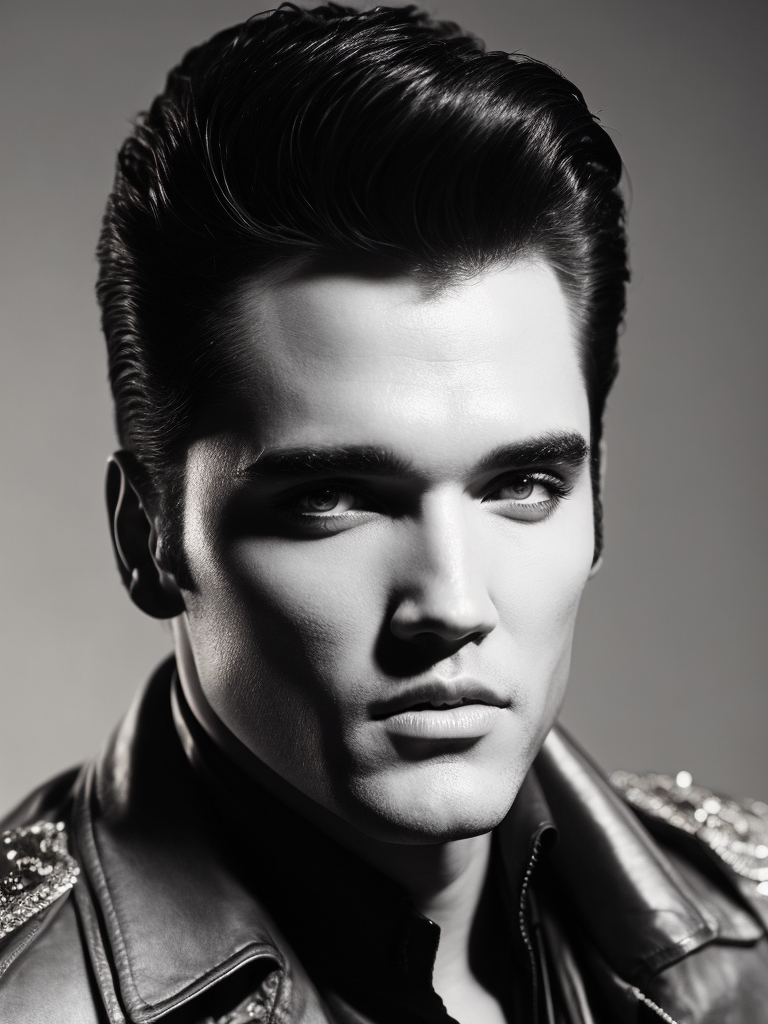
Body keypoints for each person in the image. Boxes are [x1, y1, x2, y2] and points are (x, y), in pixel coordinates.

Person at [1, 4, 766, 1022]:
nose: (451, 604)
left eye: (521, 484)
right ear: (149, 536)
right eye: (333, 499)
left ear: (598, 499)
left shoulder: (747, 936)